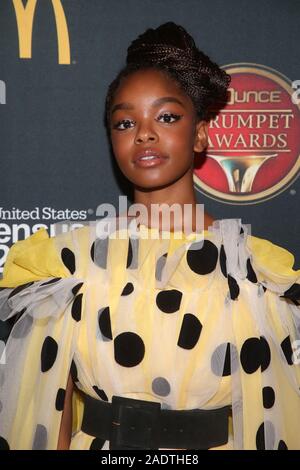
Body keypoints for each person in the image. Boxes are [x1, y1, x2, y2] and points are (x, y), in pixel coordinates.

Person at [0, 21, 300, 451]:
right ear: (112, 139)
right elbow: (48, 416)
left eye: (166, 116)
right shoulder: (67, 264)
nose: (144, 133)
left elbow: (279, 419)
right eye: (125, 123)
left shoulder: (256, 271)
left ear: (199, 134)